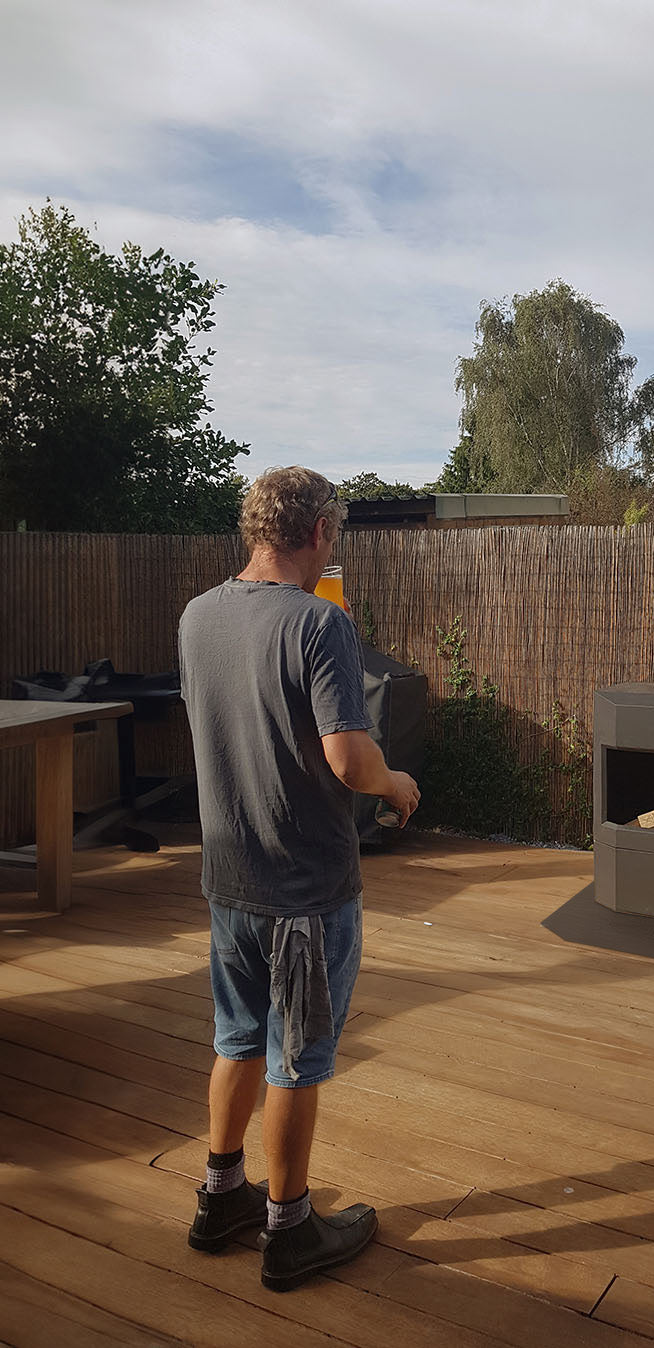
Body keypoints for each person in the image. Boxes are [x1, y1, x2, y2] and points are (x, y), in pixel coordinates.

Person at [178, 466, 420, 1292]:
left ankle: (221, 1198)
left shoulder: (196, 616)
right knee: (296, 1056)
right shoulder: (321, 624)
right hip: (304, 891)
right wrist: (396, 785)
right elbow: (349, 758)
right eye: (334, 538)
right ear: (318, 531)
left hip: (228, 880)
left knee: (237, 1037)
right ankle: (288, 1230)